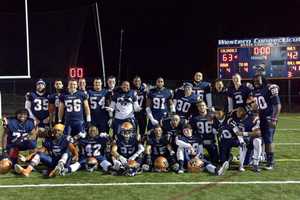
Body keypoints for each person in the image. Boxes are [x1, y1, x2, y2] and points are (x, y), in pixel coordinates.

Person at [252, 74, 281, 170]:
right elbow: (257, 106)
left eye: (257, 80)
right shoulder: (255, 90)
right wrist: (256, 114)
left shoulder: (269, 88)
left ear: (263, 80)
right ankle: (263, 157)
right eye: (254, 80)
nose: (255, 82)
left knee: (268, 140)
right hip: (261, 118)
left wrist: (274, 119)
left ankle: (271, 162)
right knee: (261, 138)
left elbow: (277, 105)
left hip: (269, 118)